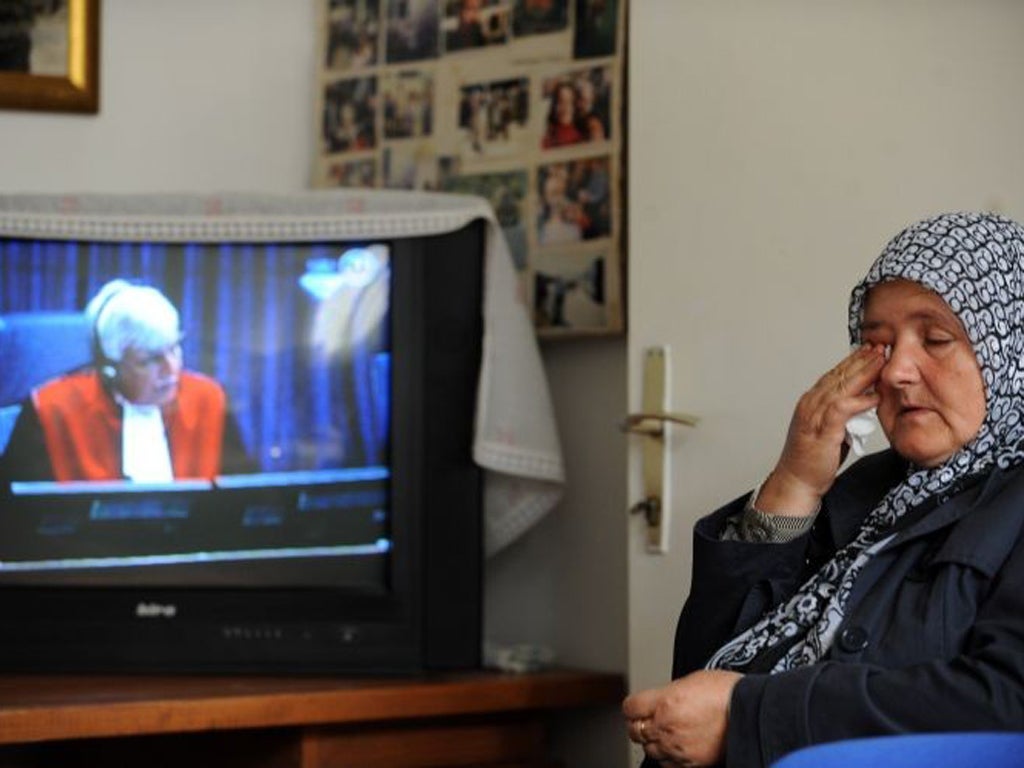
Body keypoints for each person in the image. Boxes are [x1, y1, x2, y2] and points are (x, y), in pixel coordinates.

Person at [623, 212, 1024, 767]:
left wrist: (751, 715)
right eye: (875, 344)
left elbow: (1005, 700)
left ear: (1010, 347)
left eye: (936, 338)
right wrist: (794, 482)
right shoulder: (867, 490)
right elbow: (702, 667)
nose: (896, 372)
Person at [1, 279, 252, 483]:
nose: (172, 369)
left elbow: (246, 499)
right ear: (111, 368)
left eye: (174, 349)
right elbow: (17, 516)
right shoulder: (51, 410)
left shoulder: (207, 398)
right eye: (149, 360)